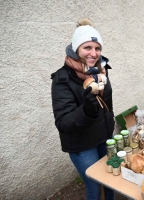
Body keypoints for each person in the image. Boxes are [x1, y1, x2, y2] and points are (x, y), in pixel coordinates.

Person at [51, 18, 115, 200]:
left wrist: (109, 125)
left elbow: (107, 105)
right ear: (76, 49)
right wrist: (87, 109)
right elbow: (63, 123)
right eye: (87, 48)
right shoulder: (62, 79)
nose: (93, 53)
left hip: (105, 136)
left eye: (97, 48)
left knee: (110, 178)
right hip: (82, 144)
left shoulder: (101, 70)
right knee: (94, 187)